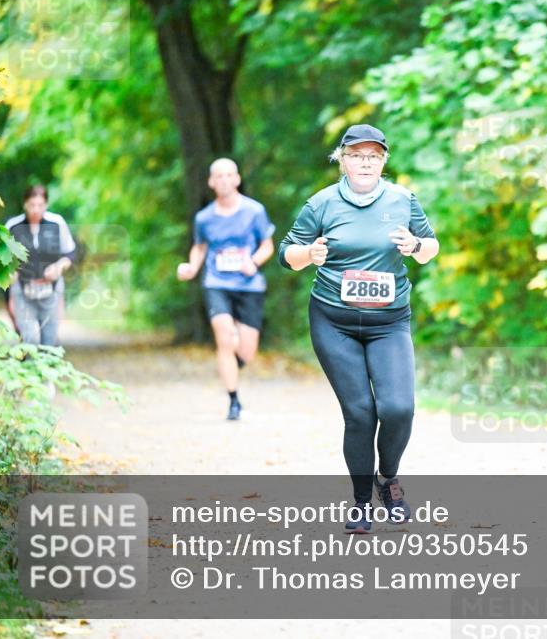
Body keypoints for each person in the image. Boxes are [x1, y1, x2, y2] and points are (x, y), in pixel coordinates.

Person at [278, 124, 439, 534]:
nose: (365, 162)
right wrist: (309, 253)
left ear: (383, 161)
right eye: (356, 155)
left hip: (389, 322)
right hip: (334, 320)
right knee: (360, 414)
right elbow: (287, 254)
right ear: (342, 160)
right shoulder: (322, 203)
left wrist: (416, 247)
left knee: (398, 409)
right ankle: (362, 502)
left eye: (373, 156)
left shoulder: (403, 199)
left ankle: (389, 479)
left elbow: (431, 246)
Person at [177, 158, 275, 421]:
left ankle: (233, 363)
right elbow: (199, 247)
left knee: (247, 351)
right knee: (223, 336)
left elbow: (268, 245)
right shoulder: (204, 218)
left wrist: (252, 262)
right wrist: (191, 267)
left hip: (249, 285)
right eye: (218, 176)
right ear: (211, 182)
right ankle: (233, 400)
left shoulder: (254, 211)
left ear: (237, 179)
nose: (223, 180)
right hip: (216, 283)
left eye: (228, 175)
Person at [5, 185, 76, 346]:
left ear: (46, 204)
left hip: (51, 290)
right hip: (22, 290)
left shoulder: (57, 223)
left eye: (40, 205)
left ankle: (48, 369)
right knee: (30, 339)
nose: (36, 210)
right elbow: (3, 260)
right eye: (32, 205)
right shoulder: (12, 226)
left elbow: (70, 253)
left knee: (49, 342)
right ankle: (28, 368)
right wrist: (10, 275)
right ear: (25, 204)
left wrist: (59, 267)